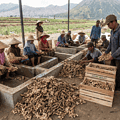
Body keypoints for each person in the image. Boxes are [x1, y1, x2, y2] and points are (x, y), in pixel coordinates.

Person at [102, 14, 120, 90]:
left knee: (118, 74)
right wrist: (106, 52)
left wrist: (113, 55)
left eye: (108, 24)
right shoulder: (112, 32)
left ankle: (118, 89)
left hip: (118, 58)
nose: (108, 26)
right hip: (113, 56)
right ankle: (113, 86)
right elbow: (110, 44)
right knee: (113, 72)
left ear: (114, 22)